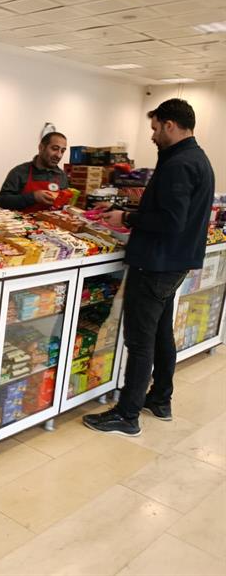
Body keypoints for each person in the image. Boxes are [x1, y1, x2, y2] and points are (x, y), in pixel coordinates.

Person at [84, 98, 215, 436]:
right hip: (174, 262)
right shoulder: (197, 158)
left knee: (139, 340)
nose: (153, 135)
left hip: (156, 263)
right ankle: (160, 398)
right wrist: (130, 213)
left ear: (170, 124)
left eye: (156, 128)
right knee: (159, 333)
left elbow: (171, 221)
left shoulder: (179, 164)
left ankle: (127, 415)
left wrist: (126, 218)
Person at [0, 132, 69, 212]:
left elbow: (64, 205)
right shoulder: (19, 172)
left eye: (62, 151)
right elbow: (2, 201)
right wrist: (33, 197)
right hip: (21, 220)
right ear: (41, 147)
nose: (59, 155)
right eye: (54, 149)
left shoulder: (62, 176)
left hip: (50, 220)